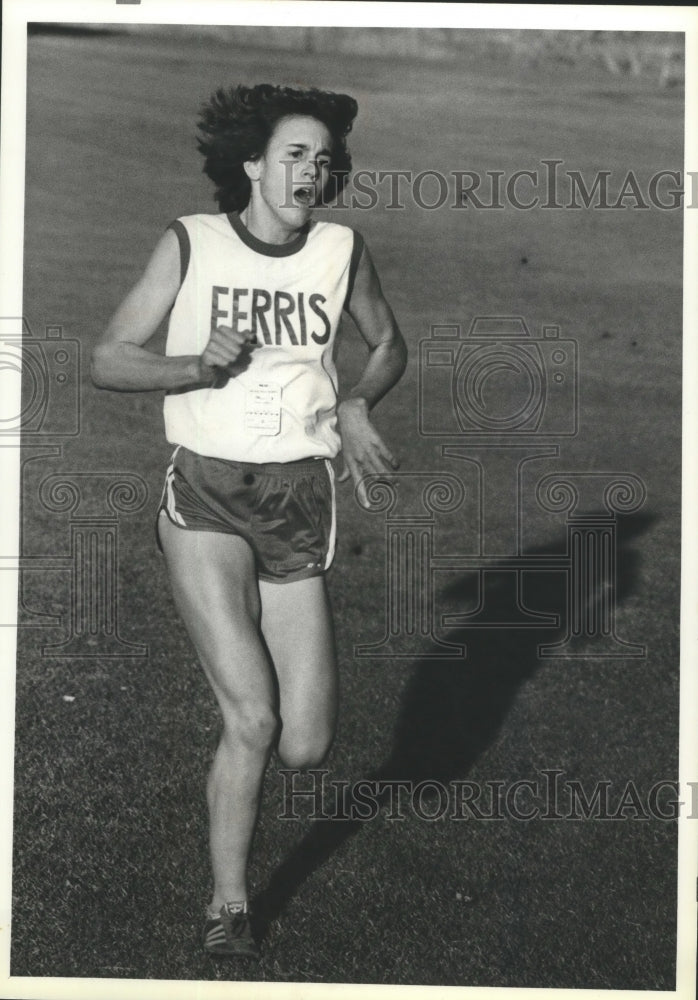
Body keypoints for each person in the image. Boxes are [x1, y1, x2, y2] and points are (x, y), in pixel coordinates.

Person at [91, 83, 407, 959]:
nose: (312, 171)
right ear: (253, 165)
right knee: (254, 721)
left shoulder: (342, 250)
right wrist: (194, 366)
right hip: (206, 498)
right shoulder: (191, 242)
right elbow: (109, 359)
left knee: (305, 746)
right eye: (294, 155)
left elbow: (387, 343)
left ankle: (246, 733)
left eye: (324, 159)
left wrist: (353, 405)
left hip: (300, 500)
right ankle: (228, 906)